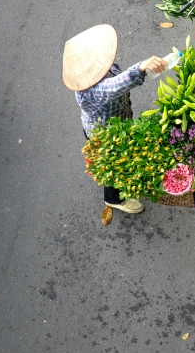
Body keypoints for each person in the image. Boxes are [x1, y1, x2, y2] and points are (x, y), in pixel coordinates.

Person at [63, 24, 168, 214]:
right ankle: (114, 199)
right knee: (112, 162)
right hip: (104, 135)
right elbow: (114, 86)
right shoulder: (90, 92)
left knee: (123, 152)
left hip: (119, 120)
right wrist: (142, 67)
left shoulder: (103, 70)